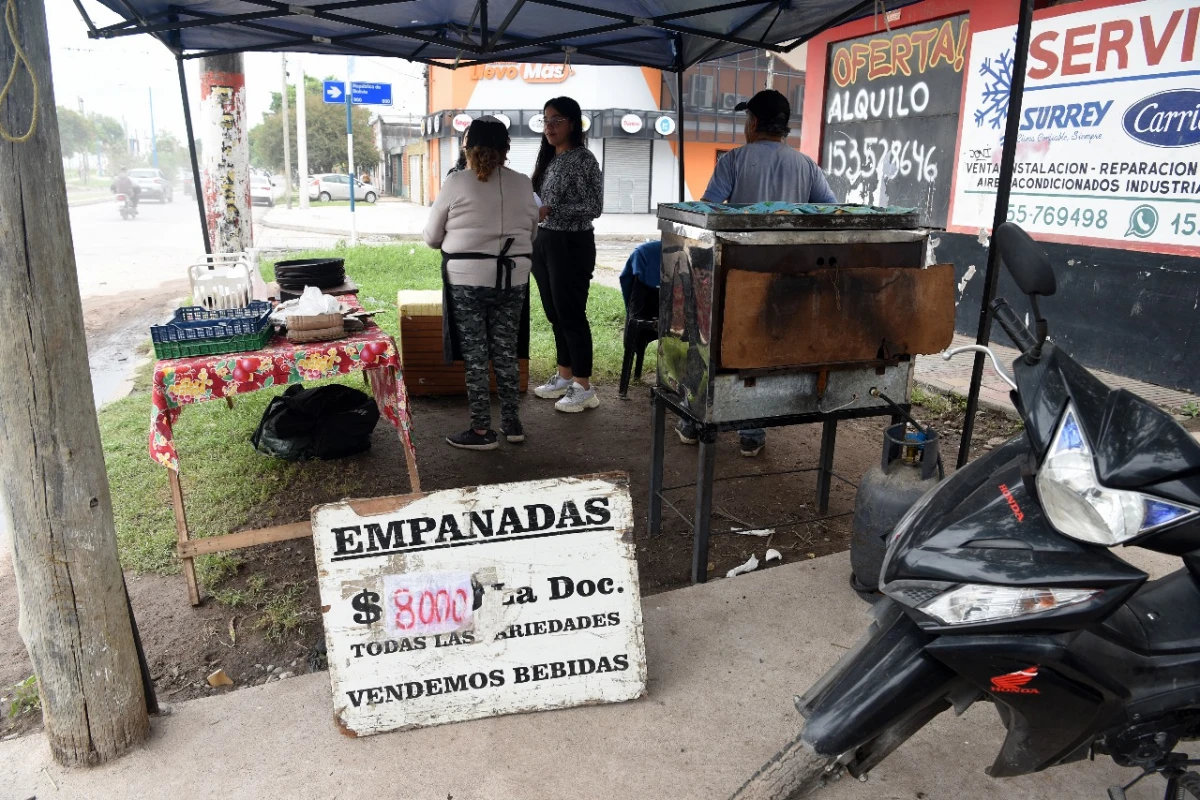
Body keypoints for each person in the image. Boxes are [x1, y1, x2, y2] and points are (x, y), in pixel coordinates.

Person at [678, 88, 837, 457]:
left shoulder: (734, 160)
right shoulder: (807, 166)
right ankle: (752, 431)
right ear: (784, 128)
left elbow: (708, 213)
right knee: (762, 348)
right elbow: (830, 211)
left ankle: (695, 420)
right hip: (786, 278)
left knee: (714, 342)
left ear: (752, 122)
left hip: (734, 273)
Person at [423, 116, 541, 451]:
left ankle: (480, 431)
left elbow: (432, 237)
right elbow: (532, 233)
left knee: (476, 354)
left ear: (467, 147)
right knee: (505, 351)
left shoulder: (456, 183)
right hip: (512, 279)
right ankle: (512, 423)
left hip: (466, 281)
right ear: (506, 149)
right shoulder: (523, 184)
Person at [529, 96, 604, 413]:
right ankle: (564, 375)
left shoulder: (583, 159)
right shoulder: (549, 159)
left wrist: (552, 209)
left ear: (573, 123)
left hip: (572, 244)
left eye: (557, 119)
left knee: (571, 313)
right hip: (544, 241)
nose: (549, 126)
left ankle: (584, 386)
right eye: (546, 120)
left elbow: (594, 208)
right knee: (554, 312)